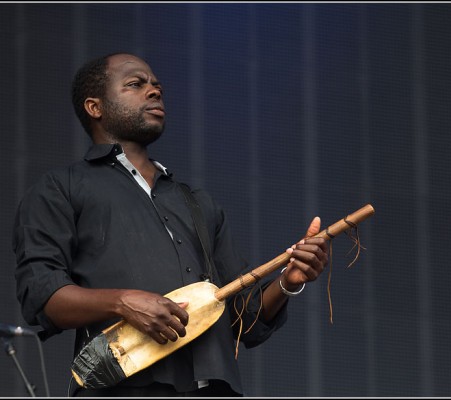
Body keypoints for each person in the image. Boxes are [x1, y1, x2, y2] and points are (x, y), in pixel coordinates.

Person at [12, 52, 329, 397]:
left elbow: (243, 320)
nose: (154, 91)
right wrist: (123, 302)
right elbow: (41, 295)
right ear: (94, 107)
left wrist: (287, 281)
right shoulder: (60, 188)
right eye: (136, 84)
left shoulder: (198, 203)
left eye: (157, 86)